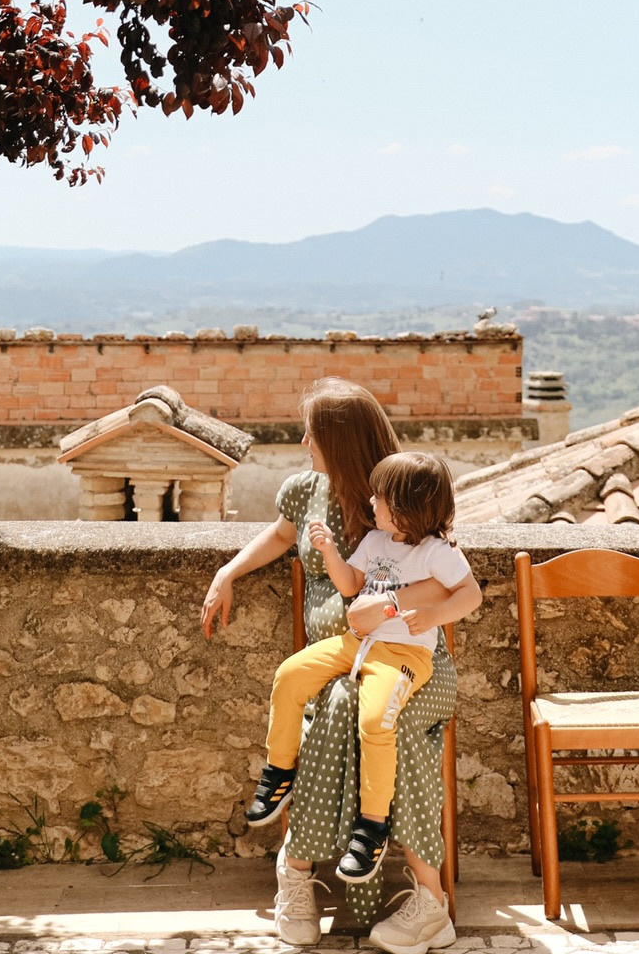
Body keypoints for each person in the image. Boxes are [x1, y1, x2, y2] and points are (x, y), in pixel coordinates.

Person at [201, 381, 480, 954]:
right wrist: (228, 572)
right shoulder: (306, 492)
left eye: (314, 432)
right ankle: (305, 876)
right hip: (345, 660)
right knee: (338, 703)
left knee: (372, 715)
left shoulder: (397, 490)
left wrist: (390, 606)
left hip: (411, 662)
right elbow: (280, 537)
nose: (304, 441)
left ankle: (383, 888)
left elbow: (444, 578)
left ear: (341, 440)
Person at [247, 452, 479, 886]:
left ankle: (372, 826)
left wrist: (433, 617)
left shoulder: (437, 552)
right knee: (290, 676)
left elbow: (470, 594)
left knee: (377, 721)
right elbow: (351, 586)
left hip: (404, 658)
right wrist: (329, 550)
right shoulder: (374, 542)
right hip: (355, 645)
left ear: (406, 507)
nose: (371, 501)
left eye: (381, 496)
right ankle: (279, 772)